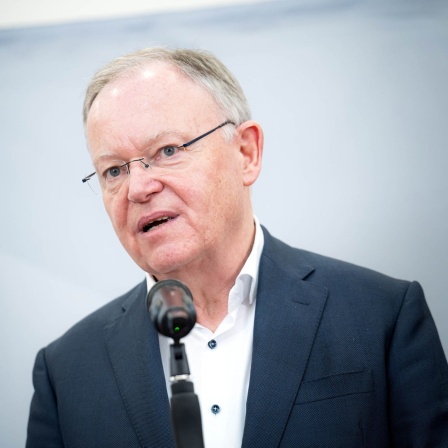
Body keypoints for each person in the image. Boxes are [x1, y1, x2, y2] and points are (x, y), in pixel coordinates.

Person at [26, 47, 448, 448]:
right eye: (113, 170)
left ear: (246, 153)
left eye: (168, 150)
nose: (138, 187)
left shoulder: (381, 318)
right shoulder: (65, 372)